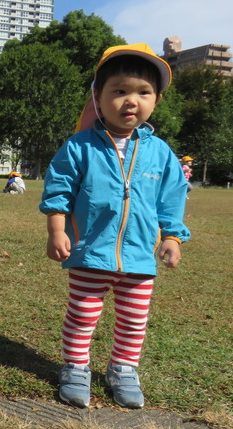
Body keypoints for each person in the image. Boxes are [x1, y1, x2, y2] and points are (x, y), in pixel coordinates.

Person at [40, 43, 189, 409]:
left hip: (139, 258)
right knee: (83, 314)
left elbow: (172, 198)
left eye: (143, 92)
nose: (130, 101)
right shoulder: (79, 147)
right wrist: (57, 231)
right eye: (119, 91)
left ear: (155, 101)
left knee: (134, 320)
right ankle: (76, 367)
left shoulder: (161, 153)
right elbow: (58, 191)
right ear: (98, 97)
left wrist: (172, 236)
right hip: (90, 252)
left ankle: (123, 368)